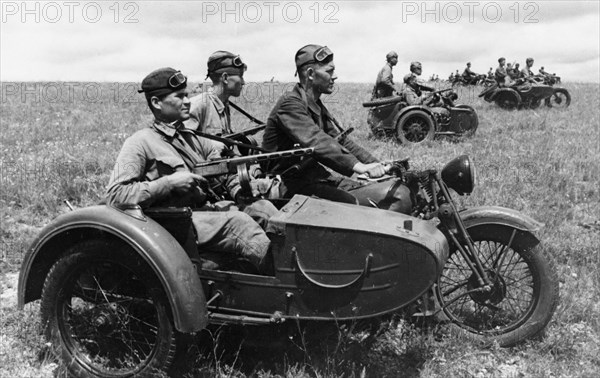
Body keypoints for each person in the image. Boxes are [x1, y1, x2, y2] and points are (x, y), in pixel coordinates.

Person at [105, 67, 277, 274]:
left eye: (186, 95)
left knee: (263, 210)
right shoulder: (140, 143)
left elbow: (220, 168)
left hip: (203, 213)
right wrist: (168, 183)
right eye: (179, 96)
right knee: (239, 224)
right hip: (175, 224)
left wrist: (240, 187)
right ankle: (293, 284)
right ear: (156, 103)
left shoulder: (190, 137)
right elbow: (115, 195)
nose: (187, 101)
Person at [261, 44, 388, 205]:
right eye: (329, 71)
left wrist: (375, 163)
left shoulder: (313, 103)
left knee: (367, 192)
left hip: (311, 176)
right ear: (311, 74)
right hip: (287, 183)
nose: (334, 76)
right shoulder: (290, 105)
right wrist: (359, 167)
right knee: (353, 204)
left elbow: (340, 140)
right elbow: (317, 141)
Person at [185, 51, 247, 155]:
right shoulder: (198, 105)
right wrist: (210, 145)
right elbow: (179, 144)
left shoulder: (223, 105)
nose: (243, 82)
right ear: (225, 78)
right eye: (240, 76)